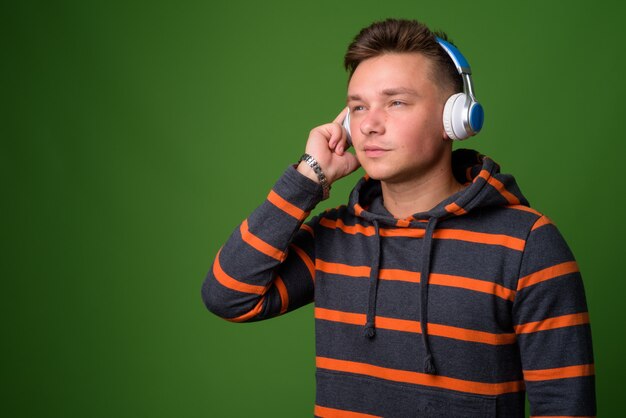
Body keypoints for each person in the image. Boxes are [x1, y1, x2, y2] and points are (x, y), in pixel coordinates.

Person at [202, 18, 596, 417]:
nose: (369, 124)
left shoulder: (529, 245)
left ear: (454, 118)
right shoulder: (333, 237)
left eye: (396, 102)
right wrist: (310, 175)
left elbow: (566, 407)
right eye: (358, 107)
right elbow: (229, 297)